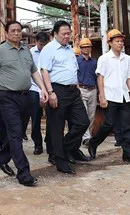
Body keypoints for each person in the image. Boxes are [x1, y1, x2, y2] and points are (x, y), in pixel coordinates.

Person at [0, 21, 48, 186]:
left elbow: (34, 71)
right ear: (6, 33)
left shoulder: (26, 50)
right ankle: (24, 172)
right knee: (15, 133)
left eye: (19, 30)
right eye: (13, 31)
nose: (16, 33)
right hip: (8, 96)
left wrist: (43, 89)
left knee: (16, 133)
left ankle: (1, 159)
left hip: (25, 96)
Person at [39, 21, 91, 175]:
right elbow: (44, 71)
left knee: (83, 122)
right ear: (55, 34)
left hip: (73, 91)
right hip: (57, 90)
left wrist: (76, 87)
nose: (67, 36)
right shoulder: (49, 49)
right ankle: (61, 161)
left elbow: (72, 70)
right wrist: (50, 92)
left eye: (68, 33)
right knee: (57, 127)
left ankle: (69, 149)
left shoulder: (69, 49)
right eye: (64, 34)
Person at [87, 29, 130, 164]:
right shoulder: (104, 59)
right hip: (110, 96)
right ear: (110, 43)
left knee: (127, 125)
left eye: (121, 41)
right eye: (117, 41)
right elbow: (100, 78)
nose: (120, 43)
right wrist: (102, 96)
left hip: (124, 96)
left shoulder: (127, 59)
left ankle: (128, 153)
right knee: (108, 124)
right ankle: (93, 143)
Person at [23, 31, 50, 155]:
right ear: (36, 42)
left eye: (45, 44)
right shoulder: (30, 53)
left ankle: (50, 142)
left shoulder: (50, 52)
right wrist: (39, 92)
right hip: (34, 89)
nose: (43, 47)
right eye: (40, 44)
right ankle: (38, 144)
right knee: (36, 118)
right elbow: (30, 72)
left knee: (52, 118)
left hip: (50, 88)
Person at [77, 38, 98, 147]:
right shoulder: (77, 61)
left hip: (93, 89)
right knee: (84, 115)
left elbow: (98, 77)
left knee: (91, 115)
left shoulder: (94, 62)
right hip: (81, 89)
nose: (86, 48)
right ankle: (86, 138)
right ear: (80, 49)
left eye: (88, 46)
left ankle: (87, 135)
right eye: (84, 47)